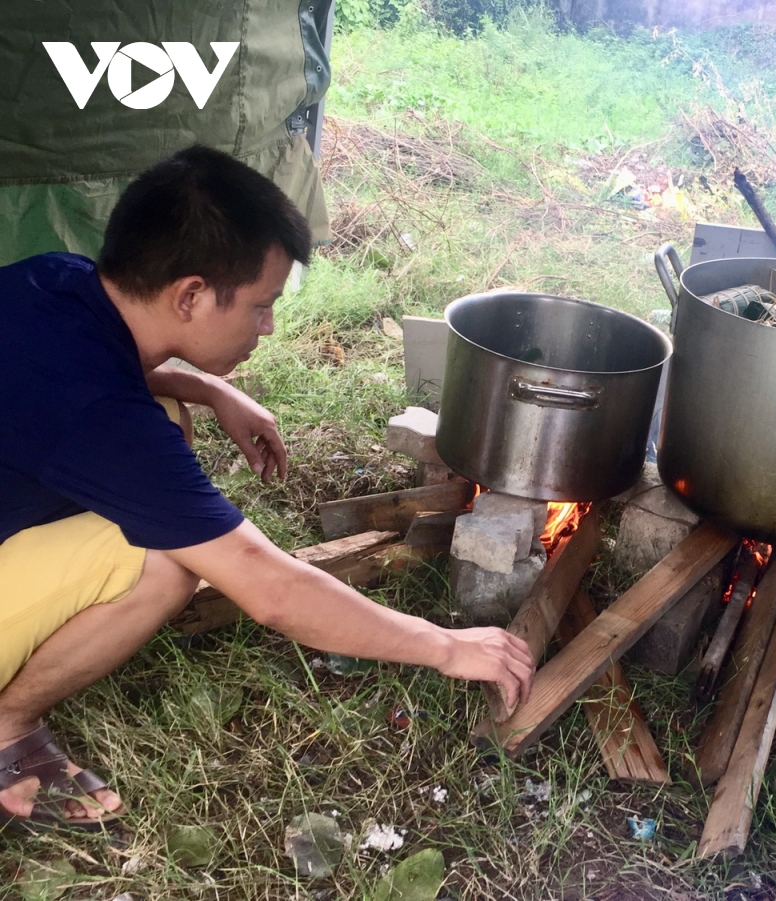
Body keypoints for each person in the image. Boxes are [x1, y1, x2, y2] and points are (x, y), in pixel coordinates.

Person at [0, 145, 535, 832]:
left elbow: (79, 376)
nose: (269, 327)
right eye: (260, 306)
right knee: (167, 562)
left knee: (167, 412)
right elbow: (271, 590)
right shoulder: (103, 421)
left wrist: (207, 385)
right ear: (190, 294)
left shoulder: (59, 279)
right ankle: (8, 728)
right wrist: (448, 646)